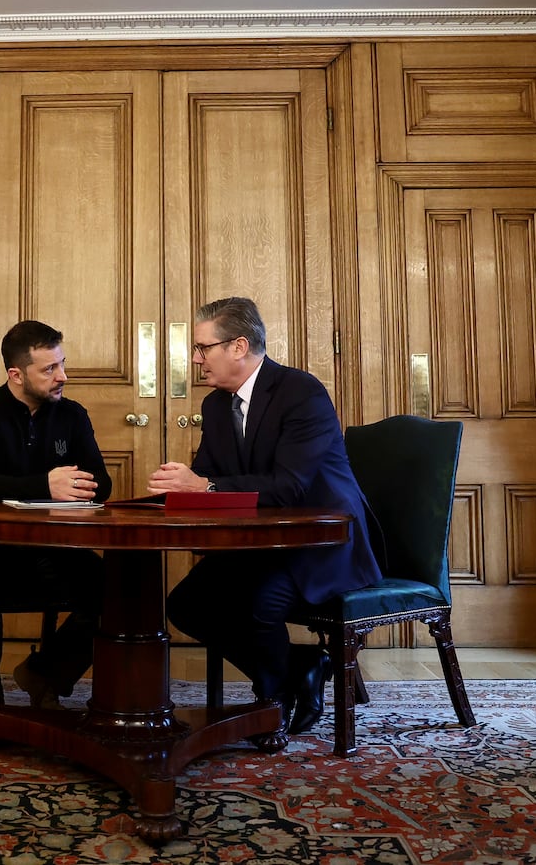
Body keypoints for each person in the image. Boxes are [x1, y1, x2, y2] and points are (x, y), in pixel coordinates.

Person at [149, 296, 380, 742]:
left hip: (321, 542)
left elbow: (289, 486)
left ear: (238, 346)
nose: (196, 359)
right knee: (185, 605)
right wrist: (178, 490)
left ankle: (269, 704)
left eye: (203, 348)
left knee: (261, 603)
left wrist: (205, 487)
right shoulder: (217, 406)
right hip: (258, 543)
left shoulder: (300, 391)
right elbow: (210, 475)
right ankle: (302, 668)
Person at [0, 320, 112, 709]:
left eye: (62, 364)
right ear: (16, 374)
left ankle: (46, 673)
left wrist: (73, 488)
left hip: (53, 541)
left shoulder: (72, 415)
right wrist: (44, 486)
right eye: (50, 369)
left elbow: (101, 485)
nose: (63, 376)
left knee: (118, 589)